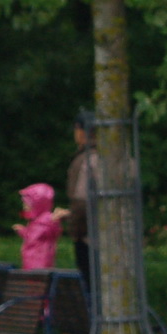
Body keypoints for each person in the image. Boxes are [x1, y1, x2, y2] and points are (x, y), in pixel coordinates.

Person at [66, 112, 98, 290]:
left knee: (92, 290)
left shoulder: (86, 160)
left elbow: (81, 203)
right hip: (119, 239)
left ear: (80, 131)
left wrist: (76, 232)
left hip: (89, 239)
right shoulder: (119, 157)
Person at [14, 182, 67, 270]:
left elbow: (34, 236)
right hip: (32, 260)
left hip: (39, 262)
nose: (24, 206)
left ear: (37, 204)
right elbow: (33, 236)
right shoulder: (38, 220)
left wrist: (23, 231)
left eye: (27, 204)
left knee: (36, 277)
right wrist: (22, 231)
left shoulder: (46, 221)